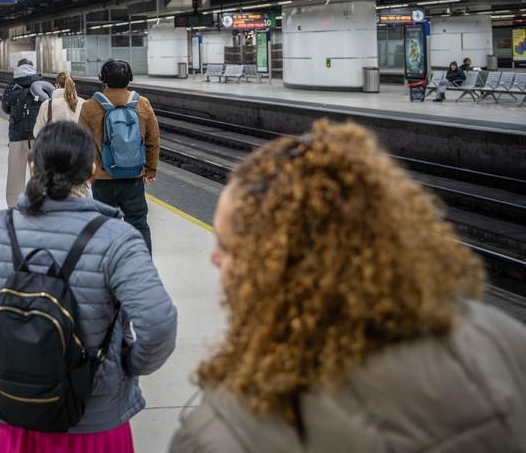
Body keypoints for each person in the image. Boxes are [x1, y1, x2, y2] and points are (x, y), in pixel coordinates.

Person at [170, 119, 526, 452]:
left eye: (227, 246)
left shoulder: (222, 431)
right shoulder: (503, 340)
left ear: (277, 266)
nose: (213, 259)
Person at [0, 121, 178, 450]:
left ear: (33, 166)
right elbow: (159, 325)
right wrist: (126, 367)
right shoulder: (118, 239)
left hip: (9, 416)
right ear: (92, 170)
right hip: (92, 420)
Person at [78, 59, 159, 252]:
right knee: (138, 222)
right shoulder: (142, 103)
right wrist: (150, 169)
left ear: (103, 79)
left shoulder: (90, 106)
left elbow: (82, 144)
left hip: (103, 178)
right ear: (129, 79)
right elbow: (153, 140)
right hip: (133, 177)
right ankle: (141, 265)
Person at [1, 59, 54, 207]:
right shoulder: (43, 85)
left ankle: (13, 207)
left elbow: (5, 108)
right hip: (38, 137)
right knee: (39, 175)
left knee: (15, 175)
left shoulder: (11, 87)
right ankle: (41, 205)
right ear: (33, 68)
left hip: (16, 137)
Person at [34, 71, 85, 137]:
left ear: (57, 86)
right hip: (78, 146)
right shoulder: (84, 103)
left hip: (54, 146)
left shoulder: (47, 105)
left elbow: (37, 133)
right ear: (73, 85)